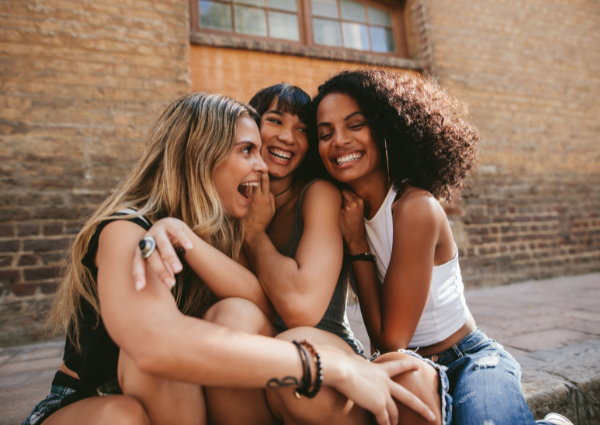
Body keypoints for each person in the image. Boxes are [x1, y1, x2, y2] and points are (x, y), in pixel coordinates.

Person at [23, 92, 434, 425]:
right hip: (94, 398)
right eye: (247, 150)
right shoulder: (126, 230)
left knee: (235, 312)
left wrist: (187, 238)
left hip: (171, 401)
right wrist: (330, 367)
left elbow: (261, 307)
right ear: (202, 154)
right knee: (125, 412)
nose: (262, 165)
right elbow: (155, 348)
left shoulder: (211, 231)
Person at [311, 69, 574, 425]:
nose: (338, 140)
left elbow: (390, 340)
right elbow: (383, 348)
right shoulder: (347, 212)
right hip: (412, 367)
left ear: (386, 128)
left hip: (469, 359)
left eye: (355, 125)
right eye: (325, 134)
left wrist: (358, 245)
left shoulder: (414, 208)